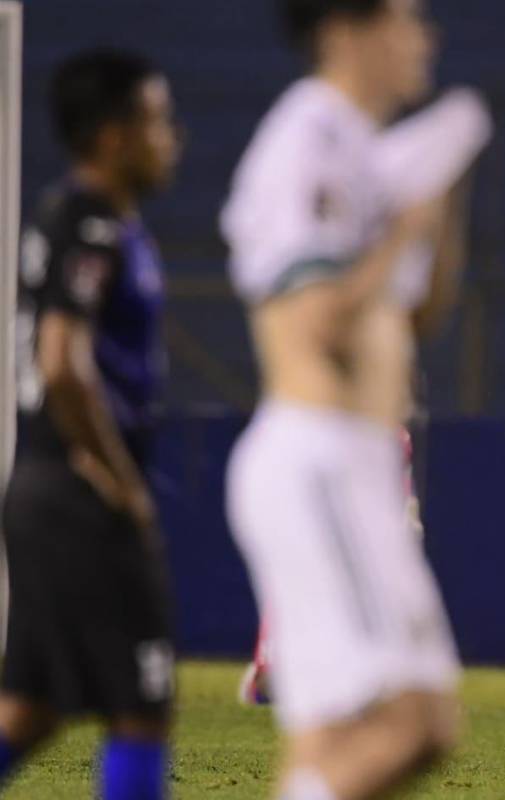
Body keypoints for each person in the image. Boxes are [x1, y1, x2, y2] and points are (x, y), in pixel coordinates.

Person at [219, 0, 491, 797]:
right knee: (417, 723)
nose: (425, 38)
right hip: (317, 456)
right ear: (345, 30)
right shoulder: (305, 141)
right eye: (406, 19)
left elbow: (415, 317)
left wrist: (441, 208)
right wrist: (406, 221)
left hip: (357, 463)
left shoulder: (363, 152)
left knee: (334, 741)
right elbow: (321, 323)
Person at [0, 49, 181, 798]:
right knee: (142, 706)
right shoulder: (91, 223)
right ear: (112, 135)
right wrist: (120, 481)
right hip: (78, 491)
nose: (170, 138)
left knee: (30, 710)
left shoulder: (73, 217)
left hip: (41, 488)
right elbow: (64, 362)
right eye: (156, 120)